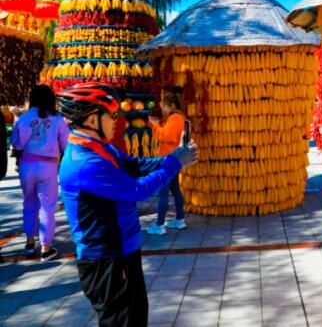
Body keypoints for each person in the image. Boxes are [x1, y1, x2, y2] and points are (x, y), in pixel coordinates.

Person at [57, 82, 198, 327]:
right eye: (112, 115)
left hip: (122, 253)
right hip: (107, 260)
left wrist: (172, 157)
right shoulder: (85, 163)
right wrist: (174, 164)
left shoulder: (100, 148)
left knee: (136, 317)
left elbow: (135, 165)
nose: (117, 120)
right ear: (92, 120)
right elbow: (137, 190)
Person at [10, 84, 69, 261]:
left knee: (29, 202)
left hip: (27, 165)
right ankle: (46, 248)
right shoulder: (57, 119)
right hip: (48, 166)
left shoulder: (23, 119)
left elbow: (16, 144)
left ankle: (29, 243)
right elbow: (65, 143)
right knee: (47, 207)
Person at [146, 91, 187, 235]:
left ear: (172, 106)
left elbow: (167, 136)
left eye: (164, 107)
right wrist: (159, 124)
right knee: (175, 190)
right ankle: (180, 219)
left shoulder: (175, 118)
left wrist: (156, 125)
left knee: (163, 192)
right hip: (176, 159)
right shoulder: (182, 118)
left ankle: (159, 225)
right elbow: (182, 138)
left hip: (168, 160)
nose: (163, 110)